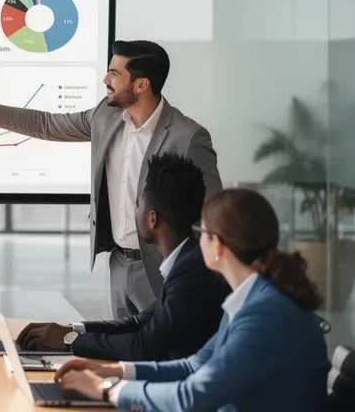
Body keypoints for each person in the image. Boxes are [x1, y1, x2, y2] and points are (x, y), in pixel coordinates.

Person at [54, 188, 339, 412]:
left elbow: (192, 397)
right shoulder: (253, 300)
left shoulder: (265, 314)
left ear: (217, 245)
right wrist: (112, 370)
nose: (195, 239)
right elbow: (194, 366)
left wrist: (107, 391)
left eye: (200, 231)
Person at [0, 40, 220, 319]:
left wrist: (196, 274)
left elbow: (212, 213)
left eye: (114, 73)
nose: (105, 79)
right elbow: (46, 125)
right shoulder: (105, 116)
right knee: (124, 344)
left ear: (141, 85)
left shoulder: (187, 136)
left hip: (163, 268)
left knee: (165, 344)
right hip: (119, 264)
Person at [15, 152, 230, 362]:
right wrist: (70, 330)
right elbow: (139, 322)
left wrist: (70, 341)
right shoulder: (187, 259)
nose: (135, 213)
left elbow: (143, 346)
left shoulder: (191, 272)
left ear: (152, 219)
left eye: (138, 205)